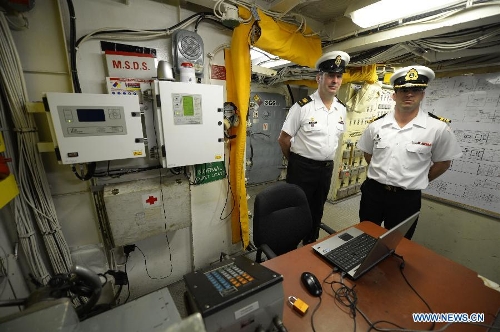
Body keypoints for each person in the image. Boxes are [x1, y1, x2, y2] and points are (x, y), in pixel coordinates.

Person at [357, 65, 463, 239]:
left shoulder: (438, 128)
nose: (409, 94)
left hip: (406, 199)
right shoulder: (376, 125)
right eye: (404, 89)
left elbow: (443, 163)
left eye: (416, 89)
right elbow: (369, 154)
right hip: (373, 192)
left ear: (423, 94)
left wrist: (418, 178)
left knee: (398, 243)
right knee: (364, 236)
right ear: (394, 94)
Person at [278, 51, 350, 244]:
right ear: (319, 78)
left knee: (317, 210)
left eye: (338, 76)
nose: (334, 80)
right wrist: (295, 162)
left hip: (326, 169)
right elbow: (284, 139)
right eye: (330, 76)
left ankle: (310, 245)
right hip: (302, 168)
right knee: (295, 209)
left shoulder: (341, 109)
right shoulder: (302, 107)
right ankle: (290, 248)